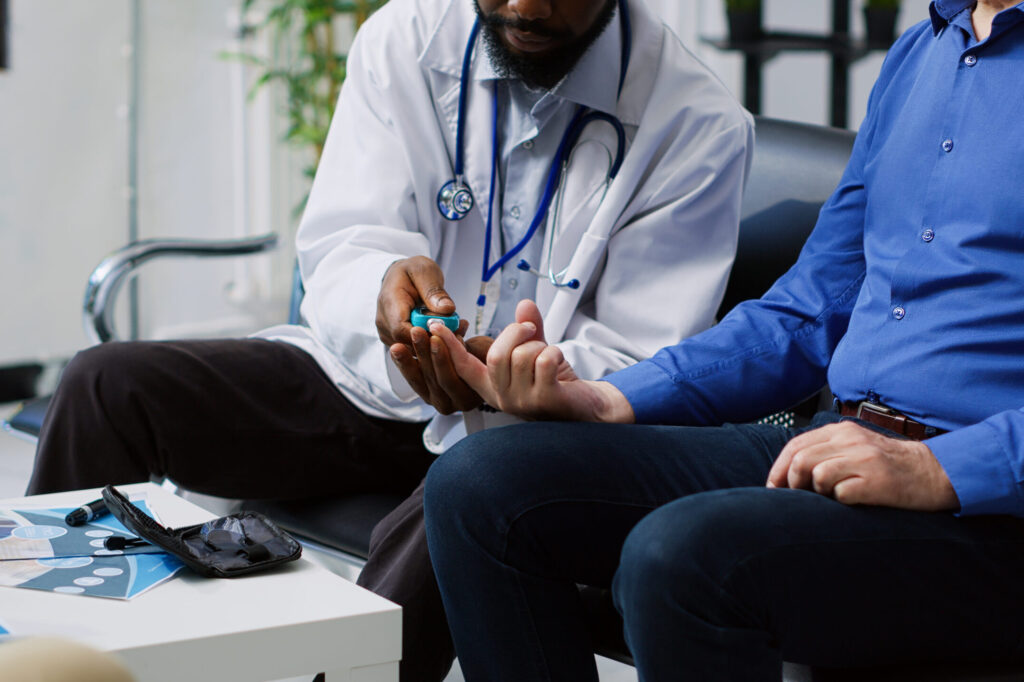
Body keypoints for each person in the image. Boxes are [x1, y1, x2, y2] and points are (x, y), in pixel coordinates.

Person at [25, 0, 753, 679]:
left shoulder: (695, 122)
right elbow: (346, 239)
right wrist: (384, 287)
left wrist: (516, 371)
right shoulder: (405, 39)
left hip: (518, 427)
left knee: (470, 492)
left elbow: (638, 356)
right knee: (106, 385)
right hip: (377, 377)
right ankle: (45, 654)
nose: (525, 8)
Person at [423, 1, 1024, 680]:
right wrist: (606, 399)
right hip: (847, 445)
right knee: (483, 484)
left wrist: (939, 469)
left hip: (995, 513)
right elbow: (808, 310)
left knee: (682, 557)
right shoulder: (922, 52)